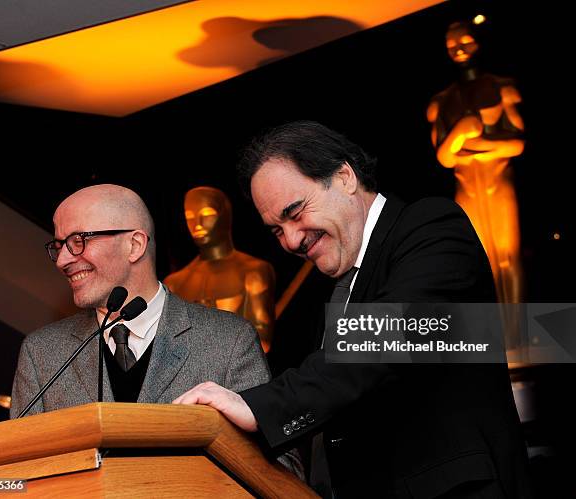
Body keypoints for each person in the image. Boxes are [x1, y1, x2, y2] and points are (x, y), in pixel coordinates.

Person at [173, 121, 532, 498]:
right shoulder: (335, 285)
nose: (292, 240)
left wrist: (257, 406)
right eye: (277, 230)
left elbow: (386, 337)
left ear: (344, 176)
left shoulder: (431, 224)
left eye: (295, 212)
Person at [10, 184, 271, 416]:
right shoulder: (41, 352)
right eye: (58, 246)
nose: (63, 260)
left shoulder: (230, 340)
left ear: (134, 245)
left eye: (78, 240)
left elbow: (276, 467)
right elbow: (18, 466)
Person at [427, 21, 525, 348]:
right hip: (467, 186)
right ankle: (491, 333)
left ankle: (516, 331)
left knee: (508, 256)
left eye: (465, 40)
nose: (459, 49)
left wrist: (475, 143)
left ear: (478, 43)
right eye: (451, 44)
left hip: (498, 182)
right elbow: (444, 156)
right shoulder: (442, 102)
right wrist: (460, 133)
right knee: (479, 259)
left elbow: (516, 143)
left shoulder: (502, 87)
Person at [165, 186, 276, 352]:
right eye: (190, 217)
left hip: (238, 373)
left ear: (225, 215)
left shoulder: (254, 272)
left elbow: (261, 342)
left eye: (207, 215)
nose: (197, 225)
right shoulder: (174, 283)